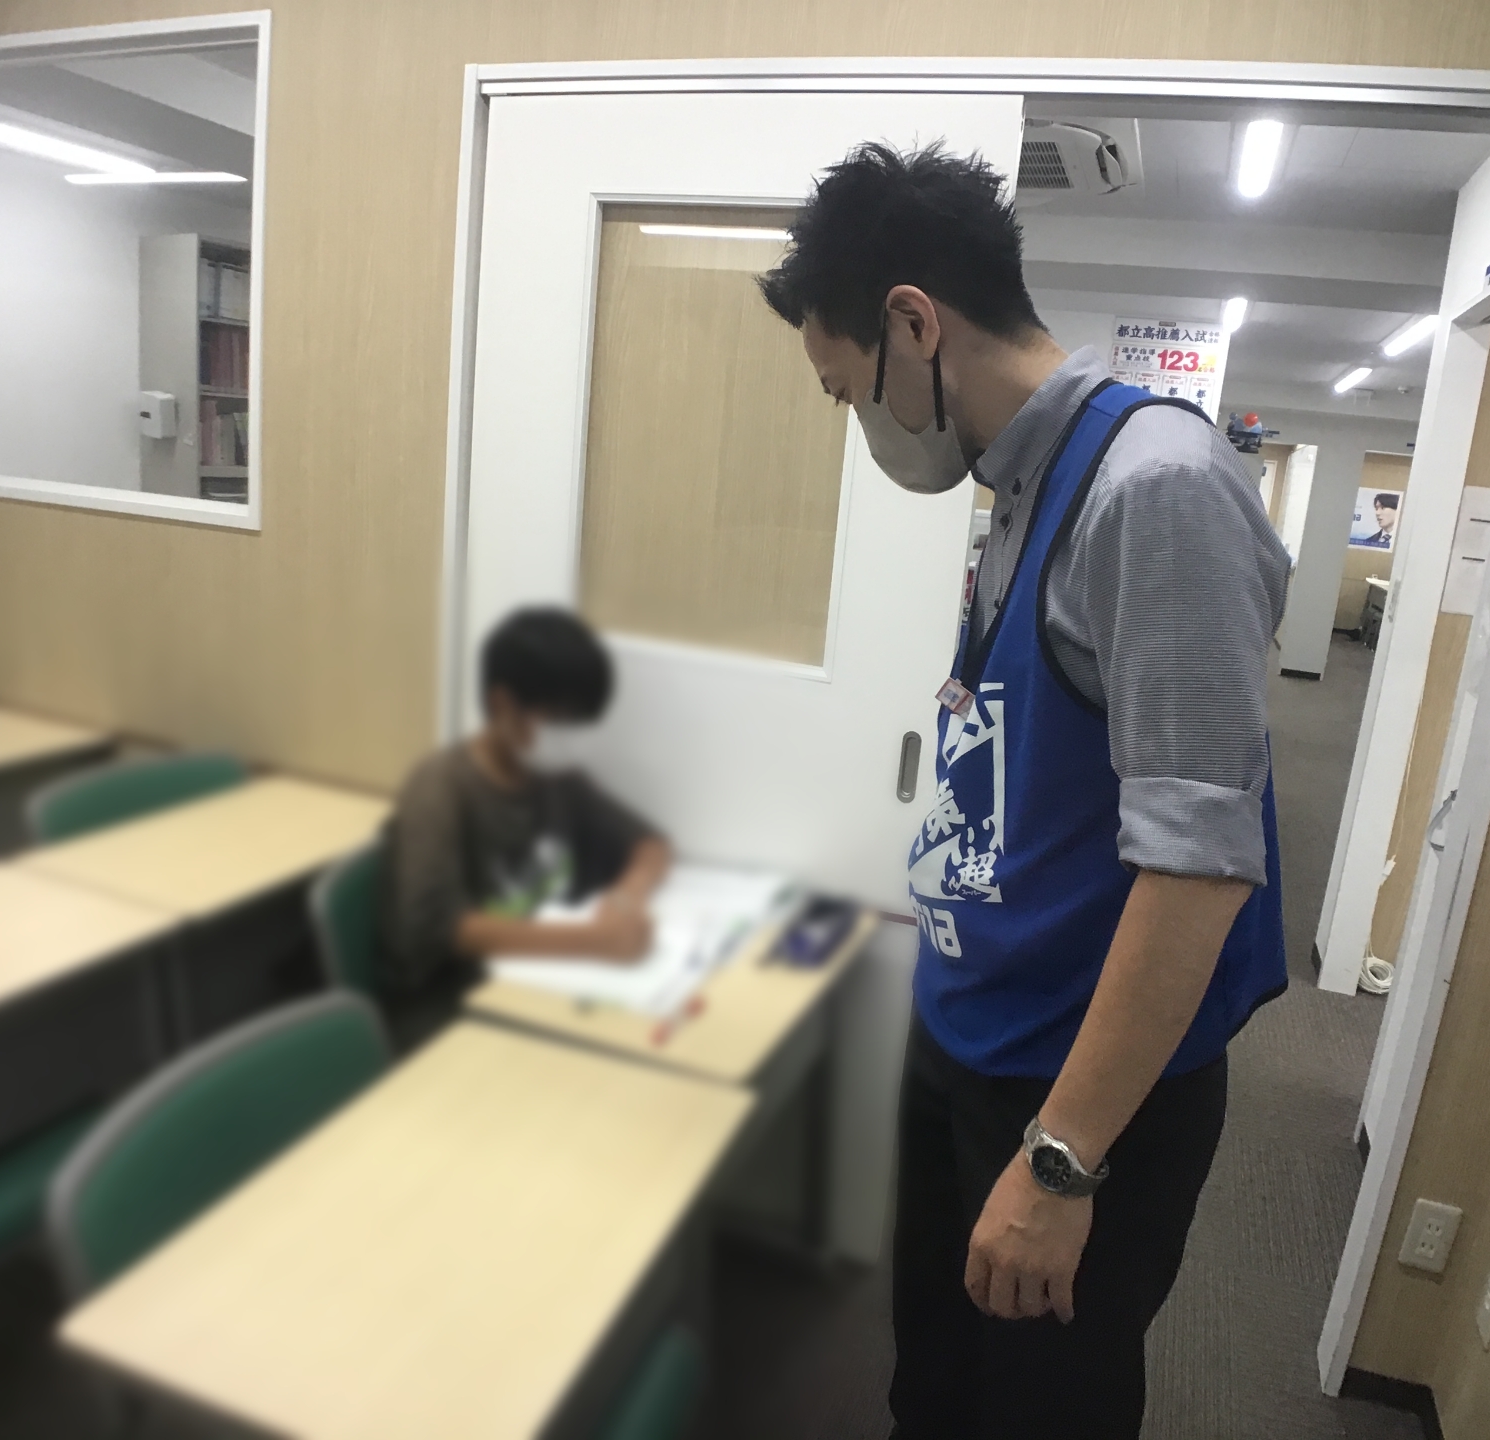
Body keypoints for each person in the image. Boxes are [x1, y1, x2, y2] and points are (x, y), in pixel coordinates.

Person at [759, 143, 1289, 1438]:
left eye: (848, 391)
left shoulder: (1155, 490)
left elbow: (1199, 865)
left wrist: (1060, 1164)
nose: (859, 422)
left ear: (913, 323)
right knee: (934, 1387)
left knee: (1037, 1411)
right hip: (974, 1034)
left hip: (1070, 1095)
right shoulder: (1022, 483)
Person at [381, 607, 671, 1040]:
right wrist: (594, 940)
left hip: (546, 983)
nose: (572, 737)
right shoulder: (439, 787)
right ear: (503, 705)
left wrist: (627, 896)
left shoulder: (556, 777)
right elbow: (439, 929)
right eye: (559, 720)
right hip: (458, 1005)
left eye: (581, 722)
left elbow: (651, 844)